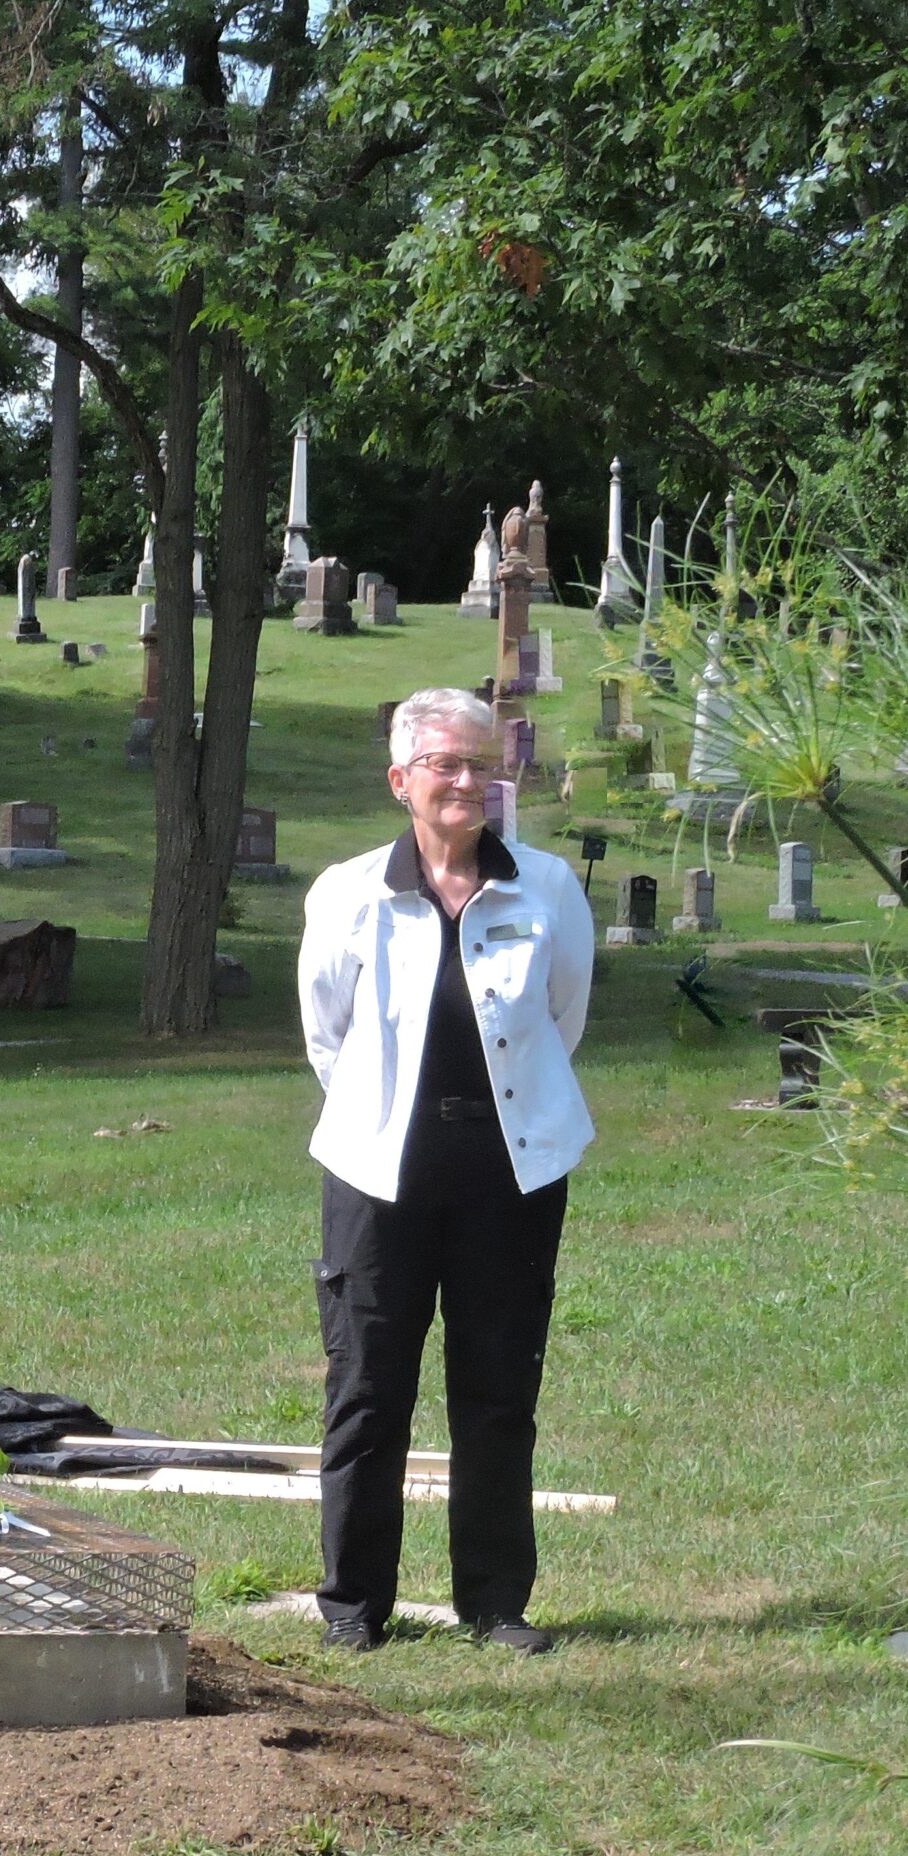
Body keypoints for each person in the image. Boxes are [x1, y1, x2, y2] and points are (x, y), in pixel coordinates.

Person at [295, 686, 594, 1654]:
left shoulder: (545, 886)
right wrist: (389, 1119)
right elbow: (325, 1035)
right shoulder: (346, 891)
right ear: (400, 781)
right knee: (368, 1387)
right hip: (379, 1170)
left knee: (499, 1386)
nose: (467, 781)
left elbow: (562, 1017)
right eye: (444, 764)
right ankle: (352, 1604)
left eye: (481, 763)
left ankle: (496, 1603)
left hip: (511, 1170)